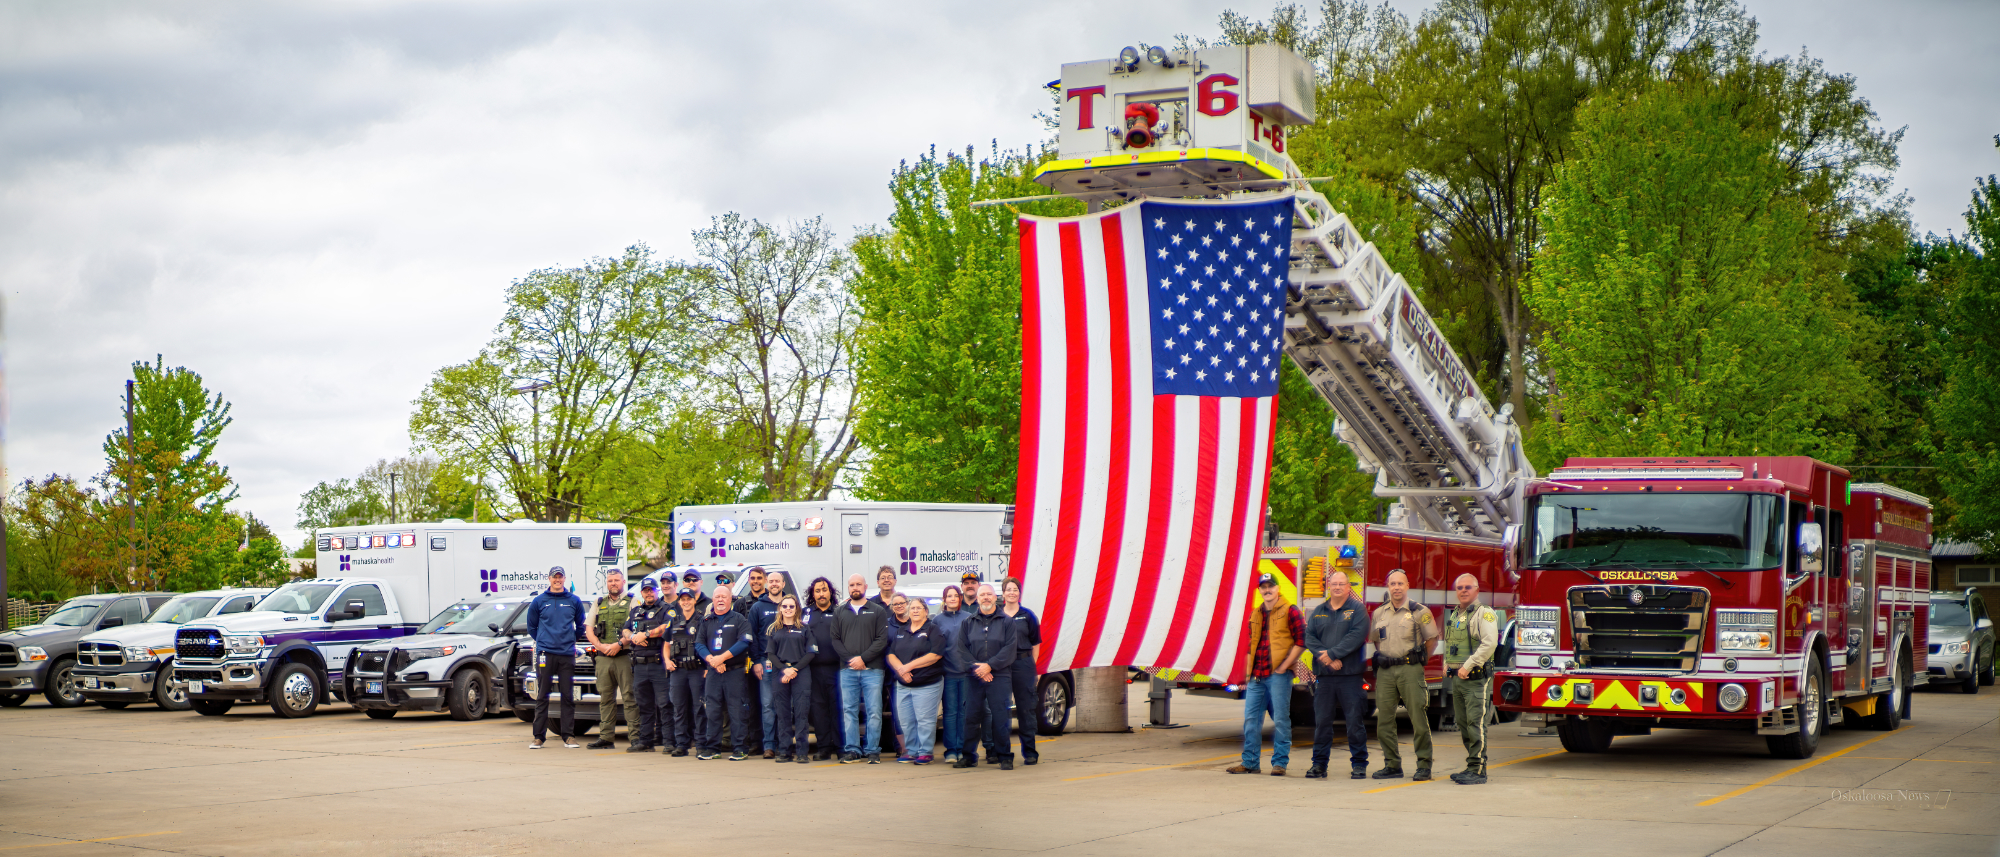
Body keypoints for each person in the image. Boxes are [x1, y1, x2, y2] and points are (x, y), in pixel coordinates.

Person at [1228, 573, 1305, 776]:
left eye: (1271, 586)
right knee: (1251, 720)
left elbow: (1301, 640)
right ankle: (1250, 762)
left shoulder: (1291, 611)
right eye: (1263, 587)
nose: (1267, 589)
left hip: (1279, 676)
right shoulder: (1255, 614)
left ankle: (1280, 763)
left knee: (1280, 719)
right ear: (1260, 590)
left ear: (1278, 589)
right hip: (1256, 677)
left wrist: (1285, 666)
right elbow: (1249, 645)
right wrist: (1247, 675)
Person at [1371, 569, 1438, 781]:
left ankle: (1424, 765)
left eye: (1400, 583)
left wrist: (1417, 660)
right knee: (1384, 721)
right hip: (1386, 671)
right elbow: (1376, 640)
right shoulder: (1379, 613)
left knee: (1418, 719)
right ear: (1388, 587)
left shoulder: (1420, 611)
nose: (1396, 587)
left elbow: (1432, 641)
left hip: (1410, 670)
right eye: (1393, 584)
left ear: (1407, 586)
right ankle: (1392, 765)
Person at [1303, 571, 1369, 779]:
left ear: (1349, 587)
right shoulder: (1319, 611)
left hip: (1350, 677)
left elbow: (1356, 636)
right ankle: (1319, 765)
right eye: (1334, 584)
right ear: (1328, 586)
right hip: (1325, 679)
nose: (1338, 587)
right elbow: (1309, 637)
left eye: (1342, 584)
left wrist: (1332, 654)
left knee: (1354, 723)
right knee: (1322, 723)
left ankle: (1359, 764)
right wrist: (1327, 658)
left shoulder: (1357, 610)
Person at [954, 584, 1018, 770]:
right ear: (978, 598)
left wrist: (990, 666)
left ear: (995, 596)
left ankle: (1004, 756)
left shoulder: (1007, 622)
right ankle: (968, 756)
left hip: (999, 675)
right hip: (974, 677)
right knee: (971, 717)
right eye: (982, 595)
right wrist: (978, 669)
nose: (986, 597)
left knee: (1000, 716)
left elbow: (1010, 649)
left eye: (989, 594)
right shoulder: (968, 623)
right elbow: (962, 649)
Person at [1444, 573, 1500, 785]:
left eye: (1468, 587)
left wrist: (1467, 666)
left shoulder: (1484, 614)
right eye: (1460, 587)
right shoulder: (1456, 614)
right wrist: (1448, 663)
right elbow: (1452, 643)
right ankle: (1471, 765)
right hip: (1459, 679)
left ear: (1477, 590)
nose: (1463, 590)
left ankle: (1478, 770)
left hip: (1476, 679)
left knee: (1476, 724)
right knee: (1463, 723)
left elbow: (1489, 644)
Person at [831, 573, 890, 764]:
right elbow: (835, 640)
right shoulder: (840, 612)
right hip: (847, 670)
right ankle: (853, 750)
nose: (855, 587)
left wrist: (863, 659)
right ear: (848, 588)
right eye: (851, 585)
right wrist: (851, 660)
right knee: (849, 710)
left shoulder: (877, 611)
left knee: (874, 710)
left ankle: (873, 750)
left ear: (865, 586)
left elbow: (882, 640)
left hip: (872, 669)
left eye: (858, 584)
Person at [525, 567, 585, 749]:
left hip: (566, 654)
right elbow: (531, 627)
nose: (557, 580)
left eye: (560, 577)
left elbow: (581, 625)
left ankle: (568, 736)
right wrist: (544, 641)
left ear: (564, 579)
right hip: (545, 654)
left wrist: (569, 640)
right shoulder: (539, 601)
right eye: (554, 577)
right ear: (549, 579)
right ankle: (538, 737)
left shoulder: (574, 601)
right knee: (542, 695)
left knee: (567, 696)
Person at [697, 584, 755, 761]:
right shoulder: (706, 621)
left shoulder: (739, 620)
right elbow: (699, 644)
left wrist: (721, 658)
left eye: (724, 596)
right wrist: (712, 660)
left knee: (736, 711)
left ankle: (740, 748)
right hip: (714, 673)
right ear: (712, 600)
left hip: (734, 673)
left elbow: (744, 642)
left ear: (730, 599)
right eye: (717, 597)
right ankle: (713, 748)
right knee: (713, 711)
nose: (720, 599)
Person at [888, 597, 947, 764]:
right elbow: (891, 654)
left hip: (927, 684)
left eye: (918, 608)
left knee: (925, 720)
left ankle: (925, 752)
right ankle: (911, 751)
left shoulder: (933, 629)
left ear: (925, 611)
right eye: (912, 608)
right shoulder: (901, 630)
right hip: (903, 684)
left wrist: (908, 667)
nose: (914, 611)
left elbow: (936, 654)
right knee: (906, 720)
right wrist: (901, 670)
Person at [584, 570, 635, 749]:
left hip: (624, 656)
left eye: (616, 580)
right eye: (610, 580)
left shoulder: (633, 600)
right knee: (605, 698)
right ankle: (606, 738)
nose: (613, 583)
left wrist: (619, 645)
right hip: (603, 656)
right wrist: (600, 646)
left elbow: (635, 627)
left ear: (623, 581)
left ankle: (635, 738)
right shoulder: (599, 602)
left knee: (629, 697)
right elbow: (589, 629)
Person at [763, 594, 815, 764]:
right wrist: (785, 670)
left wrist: (794, 669)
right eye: (784, 606)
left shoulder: (805, 628)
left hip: (801, 672)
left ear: (796, 609)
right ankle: (784, 751)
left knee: (801, 713)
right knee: (782, 713)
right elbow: (771, 653)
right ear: (780, 608)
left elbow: (811, 652)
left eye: (791, 606)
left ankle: (801, 752)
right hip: (780, 672)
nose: (788, 609)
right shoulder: (773, 629)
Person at [622, 578, 671, 753]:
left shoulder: (665, 609)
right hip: (640, 665)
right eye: (645, 590)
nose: (648, 593)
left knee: (665, 705)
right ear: (641, 593)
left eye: (651, 590)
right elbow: (625, 629)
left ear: (657, 591)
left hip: (659, 664)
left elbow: (668, 627)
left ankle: (669, 741)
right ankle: (646, 741)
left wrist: (647, 634)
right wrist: (633, 636)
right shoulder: (636, 611)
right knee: (644, 705)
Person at [1000, 577, 1044, 765]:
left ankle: (1030, 752)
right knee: (1001, 710)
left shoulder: (1028, 616)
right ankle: (1002, 753)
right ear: (1003, 594)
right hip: (1001, 667)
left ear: (1019, 593)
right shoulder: (997, 616)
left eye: (1015, 590)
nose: (1012, 592)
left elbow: (1036, 643)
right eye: (1008, 589)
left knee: (1026, 710)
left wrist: (1031, 666)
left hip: (1023, 664)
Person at [664, 586, 706, 756]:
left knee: (699, 708)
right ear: (679, 601)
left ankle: (701, 744)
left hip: (697, 670)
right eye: (683, 599)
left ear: (694, 600)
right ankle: (682, 744)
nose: (686, 602)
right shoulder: (674, 621)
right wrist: (667, 660)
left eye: (689, 599)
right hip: (678, 670)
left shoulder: (703, 620)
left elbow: (708, 645)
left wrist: (708, 667)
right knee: (679, 708)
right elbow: (666, 644)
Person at [932, 584, 971, 764]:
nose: (953, 598)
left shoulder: (969, 618)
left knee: (963, 712)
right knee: (949, 712)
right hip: (947, 674)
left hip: (966, 674)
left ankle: (962, 748)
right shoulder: (937, 621)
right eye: (949, 596)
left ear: (960, 598)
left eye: (956, 595)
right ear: (944, 600)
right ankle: (951, 750)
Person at [746, 568, 783, 758]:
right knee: (767, 706)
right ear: (768, 583)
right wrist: (756, 662)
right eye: (772, 581)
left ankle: (784, 744)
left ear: (783, 584)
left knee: (785, 706)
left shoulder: (789, 604)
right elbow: (750, 637)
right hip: (765, 663)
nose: (775, 584)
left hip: (786, 666)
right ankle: (769, 745)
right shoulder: (757, 608)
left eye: (778, 581)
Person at [803, 577, 841, 760]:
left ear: (831, 592)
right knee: (818, 710)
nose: (821, 594)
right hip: (813, 670)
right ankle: (824, 747)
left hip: (837, 669)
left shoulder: (840, 612)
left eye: (824, 590)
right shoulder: (806, 614)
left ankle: (841, 747)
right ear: (812, 594)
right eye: (817, 590)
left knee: (838, 709)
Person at [740, 568, 771, 755]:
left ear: (765, 580)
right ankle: (754, 740)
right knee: (751, 701)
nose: (756, 581)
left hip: (767, 658)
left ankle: (769, 741)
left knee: (768, 702)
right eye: (753, 578)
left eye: (759, 578)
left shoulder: (773, 601)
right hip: (748, 659)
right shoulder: (742, 603)